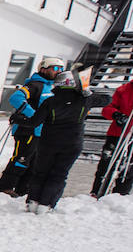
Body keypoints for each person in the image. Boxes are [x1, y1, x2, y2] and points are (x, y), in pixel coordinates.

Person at [25, 71, 108, 213]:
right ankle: (46, 204)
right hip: (72, 143)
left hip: (48, 142)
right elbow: (107, 99)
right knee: (59, 174)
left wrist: (18, 119)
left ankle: (33, 201)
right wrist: (88, 92)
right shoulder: (85, 99)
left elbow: (34, 121)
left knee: (41, 172)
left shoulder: (50, 101)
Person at [0, 56, 65, 197]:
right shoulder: (36, 85)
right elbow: (15, 98)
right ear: (44, 69)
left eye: (61, 69)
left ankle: (22, 189)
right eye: (55, 68)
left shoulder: (53, 88)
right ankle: (5, 188)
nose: (59, 72)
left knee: (34, 163)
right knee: (21, 159)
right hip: (27, 130)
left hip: (41, 132)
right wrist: (34, 116)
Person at [91, 78, 133, 197]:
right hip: (117, 134)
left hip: (132, 138)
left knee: (129, 169)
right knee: (106, 164)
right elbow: (107, 109)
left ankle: (120, 196)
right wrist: (116, 114)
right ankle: (97, 193)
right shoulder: (124, 90)